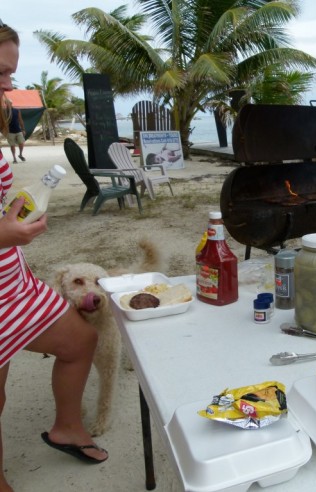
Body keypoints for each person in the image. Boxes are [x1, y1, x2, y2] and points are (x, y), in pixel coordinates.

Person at [0, 20, 108, 492]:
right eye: (1, 74)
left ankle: (66, 426)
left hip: (12, 281)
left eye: (11, 75)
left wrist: (11, 215)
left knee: (79, 340)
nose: (9, 87)